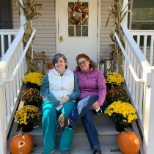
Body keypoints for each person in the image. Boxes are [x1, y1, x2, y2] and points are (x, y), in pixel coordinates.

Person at [58, 53, 107, 154]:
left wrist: (99, 102)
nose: (82, 64)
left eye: (84, 62)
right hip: (82, 104)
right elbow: (64, 74)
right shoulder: (76, 74)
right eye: (80, 63)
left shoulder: (97, 73)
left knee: (89, 98)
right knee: (87, 116)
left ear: (89, 61)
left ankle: (70, 121)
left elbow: (102, 89)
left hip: (95, 100)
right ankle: (96, 148)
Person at [40, 53, 80, 154]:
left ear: (65, 62)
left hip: (68, 101)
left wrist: (68, 97)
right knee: (48, 114)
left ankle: (65, 146)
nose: (59, 63)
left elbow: (77, 92)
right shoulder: (48, 76)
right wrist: (54, 101)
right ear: (54, 64)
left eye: (61, 61)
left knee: (68, 115)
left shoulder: (73, 75)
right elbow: (44, 91)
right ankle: (49, 147)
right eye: (56, 62)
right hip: (51, 101)